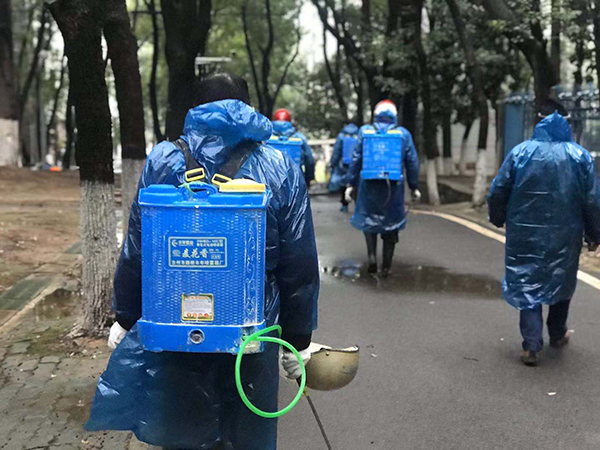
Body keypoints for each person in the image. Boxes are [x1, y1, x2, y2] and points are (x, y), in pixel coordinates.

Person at [85, 73, 321, 449]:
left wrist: (125, 316)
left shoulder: (163, 160)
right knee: (246, 436)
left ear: (193, 109)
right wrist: (298, 339)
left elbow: (138, 248)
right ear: (248, 108)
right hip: (252, 332)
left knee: (183, 432)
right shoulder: (279, 166)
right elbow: (299, 261)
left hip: (176, 328)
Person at [488, 99, 600, 367]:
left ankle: (531, 344)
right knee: (561, 279)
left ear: (538, 121)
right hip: (565, 233)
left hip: (524, 233)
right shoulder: (579, 156)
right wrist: (594, 234)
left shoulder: (520, 153)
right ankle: (557, 333)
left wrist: (498, 217)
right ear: (566, 122)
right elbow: (592, 200)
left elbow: (498, 189)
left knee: (527, 281)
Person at [345, 100, 420, 277]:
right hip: (394, 188)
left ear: (376, 115)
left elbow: (356, 159)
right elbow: (412, 163)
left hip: (368, 186)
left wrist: (350, 184)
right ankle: (386, 266)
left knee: (368, 221)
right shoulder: (403, 135)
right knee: (391, 225)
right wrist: (414, 186)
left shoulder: (365, 132)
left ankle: (372, 258)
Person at [271, 108, 315, 187]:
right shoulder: (300, 137)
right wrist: (309, 178)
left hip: (272, 180)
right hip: (296, 181)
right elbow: (309, 160)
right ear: (290, 122)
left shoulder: (265, 137)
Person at [329, 122, 359, 213]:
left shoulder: (341, 136)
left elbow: (336, 152)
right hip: (356, 164)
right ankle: (357, 206)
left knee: (343, 184)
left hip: (343, 165)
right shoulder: (359, 135)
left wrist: (333, 163)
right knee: (356, 184)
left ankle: (344, 205)